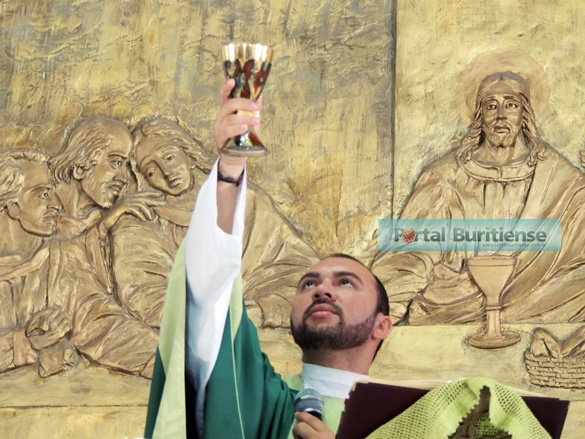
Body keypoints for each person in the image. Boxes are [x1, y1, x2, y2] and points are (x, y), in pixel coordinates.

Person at [145, 80, 393, 439]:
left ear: (382, 326)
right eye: (308, 283)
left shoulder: (424, 417)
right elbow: (210, 301)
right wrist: (230, 168)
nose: (321, 290)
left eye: (345, 282)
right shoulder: (260, 401)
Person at [372, 70, 585, 325]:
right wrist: (380, 311)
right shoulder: (445, 177)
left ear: (525, 114)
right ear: (479, 116)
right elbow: (409, 248)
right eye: (491, 106)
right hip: (460, 300)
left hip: (535, 296)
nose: (501, 116)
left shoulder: (556, 175)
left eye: (511, 105)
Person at [111, 116, 319, 329]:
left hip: (268, 320)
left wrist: (265, 309)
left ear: (189, 155)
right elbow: (145, 295)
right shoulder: (141, 224)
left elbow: (304, 270)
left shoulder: (246, 201)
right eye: (151, 171)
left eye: (170, 157)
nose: (166, 172)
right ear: (144, 180)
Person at [0, 149, 159, 378]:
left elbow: (102, 324)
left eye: (53, 193)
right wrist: (23, 342)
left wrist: (164, 360)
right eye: (43, 195)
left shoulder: (61, 257)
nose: (57, 204)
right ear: (13, 206)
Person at [50, 116, 163, 293]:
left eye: (126, 166)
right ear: (81, 165)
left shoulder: (104, 218)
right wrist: (103, 226)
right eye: (116, 162)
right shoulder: (40, 208)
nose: (124, 178)